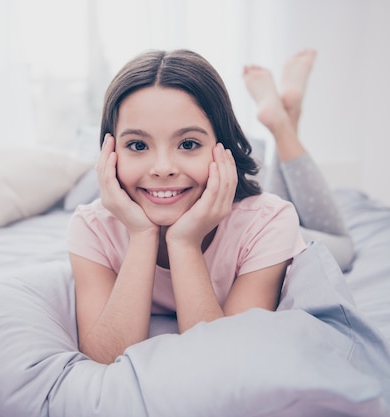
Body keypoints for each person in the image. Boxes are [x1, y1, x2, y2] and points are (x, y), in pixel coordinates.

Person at [67, 49, 306, 364]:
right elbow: (105, 359)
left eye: (188, 144)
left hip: (278, 226)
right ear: (110, 153)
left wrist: (184, 243)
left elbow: (221, 365)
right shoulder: (91, 227)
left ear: (223, 148)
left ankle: (285, 125)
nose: (162, 168)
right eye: (138, 145)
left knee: (335, 238)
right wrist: (141, 235)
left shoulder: (269, 222)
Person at [243, 49, 355, 271]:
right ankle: (285, 124)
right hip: (265, 232)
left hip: (258, 221)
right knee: (343, 244)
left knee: (273, 211)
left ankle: (285, 122)